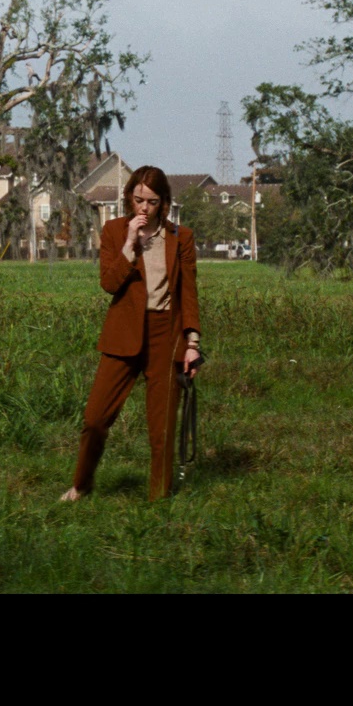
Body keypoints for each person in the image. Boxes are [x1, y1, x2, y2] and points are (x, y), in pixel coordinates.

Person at [62, 166, 203, 502]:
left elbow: (188, 293)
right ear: (129, 198)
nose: (144, 207)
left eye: (152, 201)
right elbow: (109, 283)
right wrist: (130, 244)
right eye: (139, 200)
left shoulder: (180, 237)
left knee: (162, 428)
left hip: (166, 335)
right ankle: (81, 485)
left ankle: (159, 499)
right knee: (95, 418)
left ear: (164, 202)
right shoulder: (113, 231)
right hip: (123, 332)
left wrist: (192, 343)